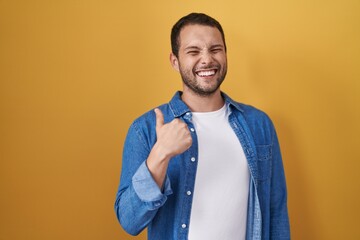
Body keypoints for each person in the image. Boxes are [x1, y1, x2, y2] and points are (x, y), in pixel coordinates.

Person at [114, 12, 290, 240]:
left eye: (215, 49)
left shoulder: (259, 124)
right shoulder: (145, 129)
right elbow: (129, 221)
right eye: (193, 52)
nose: (207, 59)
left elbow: (276, 212)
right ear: (175, 61)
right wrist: (160, 154)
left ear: (226, 54)